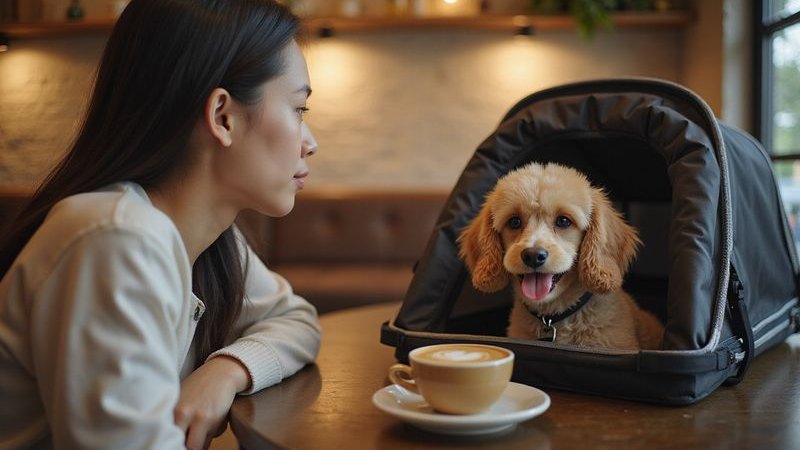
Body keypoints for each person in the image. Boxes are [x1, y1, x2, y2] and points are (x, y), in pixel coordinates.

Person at [0, 1, 321, 449]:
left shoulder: (209, 238)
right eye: (299, 109)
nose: (311, 143)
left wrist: (226, 371)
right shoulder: (114, 238)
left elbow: (296, 318)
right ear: (223, 116)